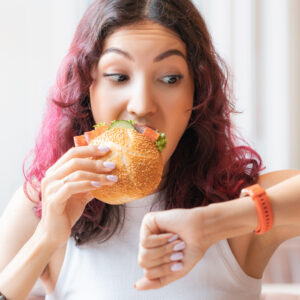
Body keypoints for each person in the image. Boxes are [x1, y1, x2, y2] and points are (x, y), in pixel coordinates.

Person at [0, 0, 299, 299]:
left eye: (169, 79)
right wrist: (44, 241)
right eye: (119, 77)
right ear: (87, 89)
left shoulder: (241, 200)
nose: (142, 105)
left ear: (197, 93)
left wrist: (212, 223)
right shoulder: (44, 204)